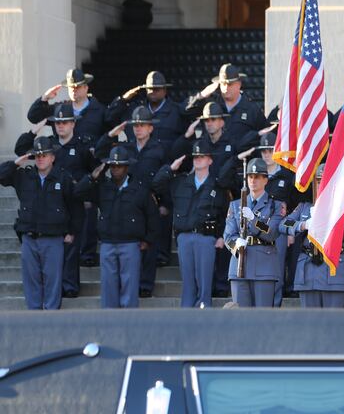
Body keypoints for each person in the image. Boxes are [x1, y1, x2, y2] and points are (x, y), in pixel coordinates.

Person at [14, 104, 95, 298]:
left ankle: (70, 286)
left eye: (65, 122)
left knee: (71, 247)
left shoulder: (82, 145)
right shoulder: (48, 145)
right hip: (50, 203)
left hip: (72, 200)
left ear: (73, 123)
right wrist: (34, 131)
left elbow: (93, 172)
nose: (61, 126)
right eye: (57, 122)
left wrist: (86, 194)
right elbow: (21, 150)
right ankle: (53, 288)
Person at [95, 106, 169, 297]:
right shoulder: (126, 148)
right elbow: (99, 153)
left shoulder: (160, 148)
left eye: (142, 125)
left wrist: (165, 204)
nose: (138, 129)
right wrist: (111, 135)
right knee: (132, 245)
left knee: (149, 245)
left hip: (152, 199)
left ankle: (145, 285)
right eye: (135, 125)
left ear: (150, 127)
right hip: (130, 201)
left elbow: (167, 176)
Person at [0, 137, 80, 310]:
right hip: (29, 238)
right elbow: (1, 175)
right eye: (37, 155)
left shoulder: (63, 178)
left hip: (53, 239)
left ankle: (51, 317)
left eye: (44, 155)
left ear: (53, 157)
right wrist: (15, 163)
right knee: (31, 281)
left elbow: (75, 207)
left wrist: (72, 231)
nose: (40, 158)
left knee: (53, 280)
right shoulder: (24, 176)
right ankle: (34, 316)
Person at [73, 146, 158, 308]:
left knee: (130, 285)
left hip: (131, 243)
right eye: (112, 166)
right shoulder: (102, 186)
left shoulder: (139, 188)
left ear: (127, 167)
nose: (115, 169)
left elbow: (152, 216)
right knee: (108, 286)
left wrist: (148, 240)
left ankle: (129, 319)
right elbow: (77, 193)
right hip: (107, 243)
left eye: (119, 166)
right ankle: (109, 318)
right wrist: (92, 177)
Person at [152, 140, 230, 307]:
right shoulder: (181, 182)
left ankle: (203, 312)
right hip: (184, 237)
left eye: (202, 156)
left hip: (206, 238)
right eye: (195, 157)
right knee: (188, 282)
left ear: (210, 160)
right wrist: (171, 168)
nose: (198, 160)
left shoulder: (217, 185)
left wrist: (222, 236)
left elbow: (226, 213)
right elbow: (156, 185)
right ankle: (187, 313)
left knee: (204, 282)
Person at [279, 165, 344, 308]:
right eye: (318, 181)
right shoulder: (304, 208)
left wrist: (327, 217)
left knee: (333, 320)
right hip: (308, 272)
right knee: (310, 320)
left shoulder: (343, 207)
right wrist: (303, 225)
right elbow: (284, 224)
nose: (321, 185)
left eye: (325, 181)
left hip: (333, 272)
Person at [224, 158, 286, 307]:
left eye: (257, 177)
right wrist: (236, 244)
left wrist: (253, 220)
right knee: (240, 315)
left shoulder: (276, 206)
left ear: (266, 180)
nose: (253, 180)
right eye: (250, 177)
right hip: (240, 264)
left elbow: (271, 232)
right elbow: (228, 235)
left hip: (264, 266)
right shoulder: (235, 205)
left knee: (262, 316)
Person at [184, 63, 267, 143]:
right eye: (223, 84)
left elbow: (263, 136)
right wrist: (201, 95)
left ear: (239, 84)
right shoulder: (210, 105)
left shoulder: (252, 110)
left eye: (230, 84)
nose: (226, 88)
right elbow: (186, 113)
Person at [105, 71, 189, 148]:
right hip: (137, 157)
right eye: (150, 89)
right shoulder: (135, 110)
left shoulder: (176, 111)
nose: (153, 92)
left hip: (166, 158)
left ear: (164, 90)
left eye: (157, 89)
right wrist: (123, 99)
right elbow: (109, 118)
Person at [27, 68, 108, 143]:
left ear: (86, 87)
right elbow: (33, 117)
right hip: (63, 153)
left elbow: (107, 138)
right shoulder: (59, 109)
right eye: (71, 87)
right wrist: (44, 98)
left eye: (77, 86)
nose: (73, 90)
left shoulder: (100, 111)